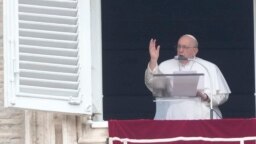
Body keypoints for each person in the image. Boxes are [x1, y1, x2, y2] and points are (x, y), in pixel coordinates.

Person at [145, 34, 231, 120]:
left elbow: (223, 95)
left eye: (185, 47)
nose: (181, 50)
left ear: (195, 50)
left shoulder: (209, 67)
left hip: (202, 119)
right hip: (172, 118)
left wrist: (205, 97)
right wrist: (153, 60)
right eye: (179, 47)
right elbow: (153, 84)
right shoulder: (165, 66)